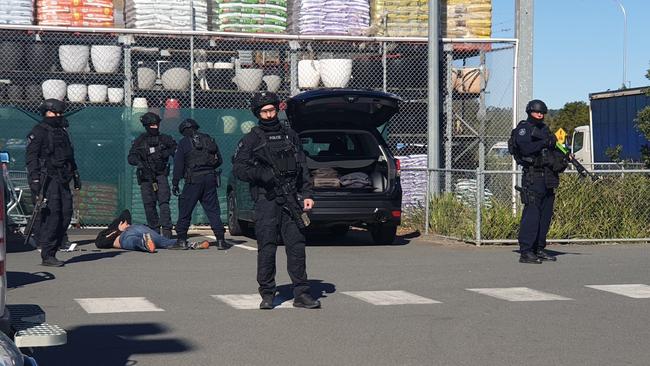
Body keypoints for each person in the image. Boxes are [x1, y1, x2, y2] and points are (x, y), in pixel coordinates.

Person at [232, 92, 320, 310]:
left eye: (272, 110)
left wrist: (307, 194)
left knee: (297, 246)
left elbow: (303, 167)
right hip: (267, 200)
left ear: (277, 109)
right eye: (264, 111)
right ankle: (268, 293)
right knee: (267, 246)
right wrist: (262, 174)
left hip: (292, 198)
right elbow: (239, 168)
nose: (269, 115)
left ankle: (302, 293)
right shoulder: (251, 138)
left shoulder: (291, 135)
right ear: (257, 113)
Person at [510, 99, 568, 264]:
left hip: (548, 177)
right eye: (537, 112)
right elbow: (525, 148)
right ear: (530, 112)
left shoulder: (544, 129)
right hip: (533, 176)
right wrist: (544, 143)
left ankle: (539, 248)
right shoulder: (523, 129)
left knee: (545, 214)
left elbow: (556, 145)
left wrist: (565, 154)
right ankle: (526, 251)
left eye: (542, 113)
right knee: (532, 214)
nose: (540, 115)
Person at [26, 99, 81, 267]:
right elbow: (31, 158)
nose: (57, 116)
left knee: (66, 214)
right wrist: (35, 180)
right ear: (45, 113)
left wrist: (76, 174)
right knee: (53, 215)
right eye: (53, 113)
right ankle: (47, 254)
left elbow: (69, 155)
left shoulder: (63, 131)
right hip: (47, 179)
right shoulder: (39, 131)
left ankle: (54, 248)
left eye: (59, 113)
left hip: (63, 177)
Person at [169, 118, 227, 250]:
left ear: (184, 131)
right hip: (210, 178)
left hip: (194, 179)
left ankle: (181, 240)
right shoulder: (209, 139)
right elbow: (219, 160)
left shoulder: (184, 143)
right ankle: (220, 240)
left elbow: (179, 164)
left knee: (185, 209)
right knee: (213, 210)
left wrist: (175, 182)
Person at [127, 112, 177, 238]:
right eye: (152, 125)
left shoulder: (165, 138)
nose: (154, 127)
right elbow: (131, 157)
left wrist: (165, 153)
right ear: (146, 125)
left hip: (161, 175)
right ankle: (154, 231)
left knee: (164, 203)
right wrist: (139, 162)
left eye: (156, 124)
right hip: (146, 177)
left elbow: (176, 150)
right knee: (149, 204)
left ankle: (167, 231)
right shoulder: (140, 140)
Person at [94, 209, 209, 252]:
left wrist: (119, 228)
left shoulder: (111, 229)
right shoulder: (110, 230)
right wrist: (121, 227)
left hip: (126, 235)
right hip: (133, 230)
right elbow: (100, 242)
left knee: (134, 242)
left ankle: (144, 242)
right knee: (164, 242)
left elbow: (99, 243)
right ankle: (190, 244)